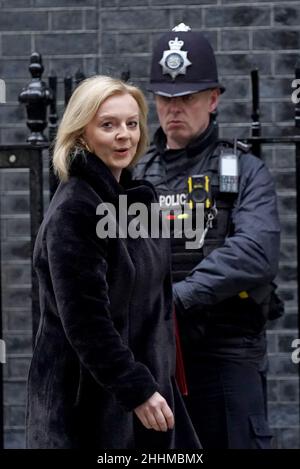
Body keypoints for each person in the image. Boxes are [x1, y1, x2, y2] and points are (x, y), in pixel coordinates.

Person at [26, 75, 201, 449]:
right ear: (81, 134)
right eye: (108, 125)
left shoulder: (131, 201)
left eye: (131, 123)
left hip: (143, 401)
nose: (124, 134)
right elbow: (86, 321)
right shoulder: (76, 209)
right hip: (89, 411)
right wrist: (136, 389)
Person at [133, 24, 281, 449]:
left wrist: (177, 297)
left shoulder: (244, 170)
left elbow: (255, 252)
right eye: (165, 98)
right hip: (152, 361)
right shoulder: (134, 176)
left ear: (213, 99)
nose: (174, 108)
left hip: (225, 355)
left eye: (187, 98)